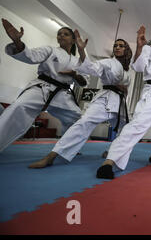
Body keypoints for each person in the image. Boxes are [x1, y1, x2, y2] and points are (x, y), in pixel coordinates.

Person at [27, 34, 133, 168]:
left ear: (126, 50)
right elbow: (92, 68)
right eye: (115, 45)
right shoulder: (108, 62)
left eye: (121, 46)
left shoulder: (127, 70)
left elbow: (126, 89)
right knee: (83, 123)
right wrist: (82, 51)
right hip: (105, 99)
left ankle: (113, 152)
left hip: (120, 103)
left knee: (126, 130)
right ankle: (52, 155)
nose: (117, 47)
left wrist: (124, 90)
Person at [96, 19, 151, 179]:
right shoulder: (149, 47)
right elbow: (138, 67)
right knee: (137, 127)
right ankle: (109, 162)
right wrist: (140, 47)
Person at [0, 18, 87, 153]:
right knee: (18, 106)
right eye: (59, 33)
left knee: (76, 117)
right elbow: (31, 56)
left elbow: (83, 82)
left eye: (66, 34)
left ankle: (69, 146)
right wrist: (17, 41)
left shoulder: (77, 61)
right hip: (42, 87)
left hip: (62, 93)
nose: (61, 35)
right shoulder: (50, 49)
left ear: (73, 40)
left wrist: (75, 75)